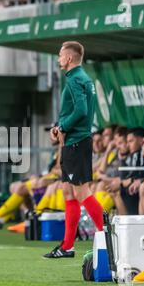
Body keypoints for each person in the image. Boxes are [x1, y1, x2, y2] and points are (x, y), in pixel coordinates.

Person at [44, 41, 105, 259]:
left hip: (77, 142)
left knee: (81, 192)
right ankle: (67, 246)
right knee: (68, 191)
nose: (58, 58)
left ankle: (105, 235)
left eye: (60, 55)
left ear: (69, 58)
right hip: (74, 142)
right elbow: (78, 110)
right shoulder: (82, 78)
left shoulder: (75, 79)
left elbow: (80, 110)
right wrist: (59, 127)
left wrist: (62, 127)